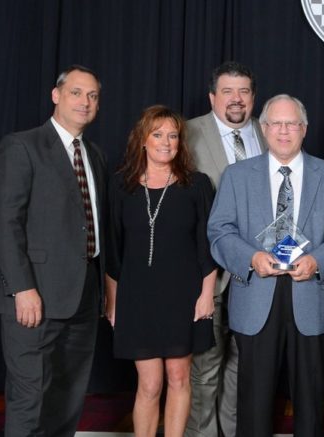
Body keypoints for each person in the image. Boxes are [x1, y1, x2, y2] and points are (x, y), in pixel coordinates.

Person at [207, 94, 324, 437]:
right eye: (276, 123)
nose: (283, 131)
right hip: (255, 295)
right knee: (254, 398)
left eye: (291, 123)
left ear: (304, 129)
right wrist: (250, 257)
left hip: (312, 294)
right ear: (263, 129)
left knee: (309, 397)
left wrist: (317, 260)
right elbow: (219, 231)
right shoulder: (236, 176)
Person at [0, 64, 106, 436]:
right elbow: (5, 223)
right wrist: (21, 288)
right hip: (33, 295)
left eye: (92, 96)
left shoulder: (95, 156)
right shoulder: (22, 146)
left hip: (84, 295)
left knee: (68, 395)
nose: (84, 102)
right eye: (75, 92)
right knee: (29, 397)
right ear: (56, 95)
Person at [105, 105, 218, 437]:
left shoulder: (197, 185)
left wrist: (207, 295)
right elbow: (112, 249)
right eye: (157, 134)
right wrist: (112, 303)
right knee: (150, 384)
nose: (166, 142)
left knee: (180, 378)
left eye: (173, 135)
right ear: (142, 139)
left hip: (184, 297)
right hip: (137, 298)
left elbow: (207, 245)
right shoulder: (120, 185)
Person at [186, 61, 267, 437]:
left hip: (258, 274)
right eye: (228, 92)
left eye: (244, 92)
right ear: (212, 97)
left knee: (243, 367)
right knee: (204, 368)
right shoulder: (186, 135)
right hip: (206, 274)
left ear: (253, 97)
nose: (236, 100)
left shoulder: (271, 134)